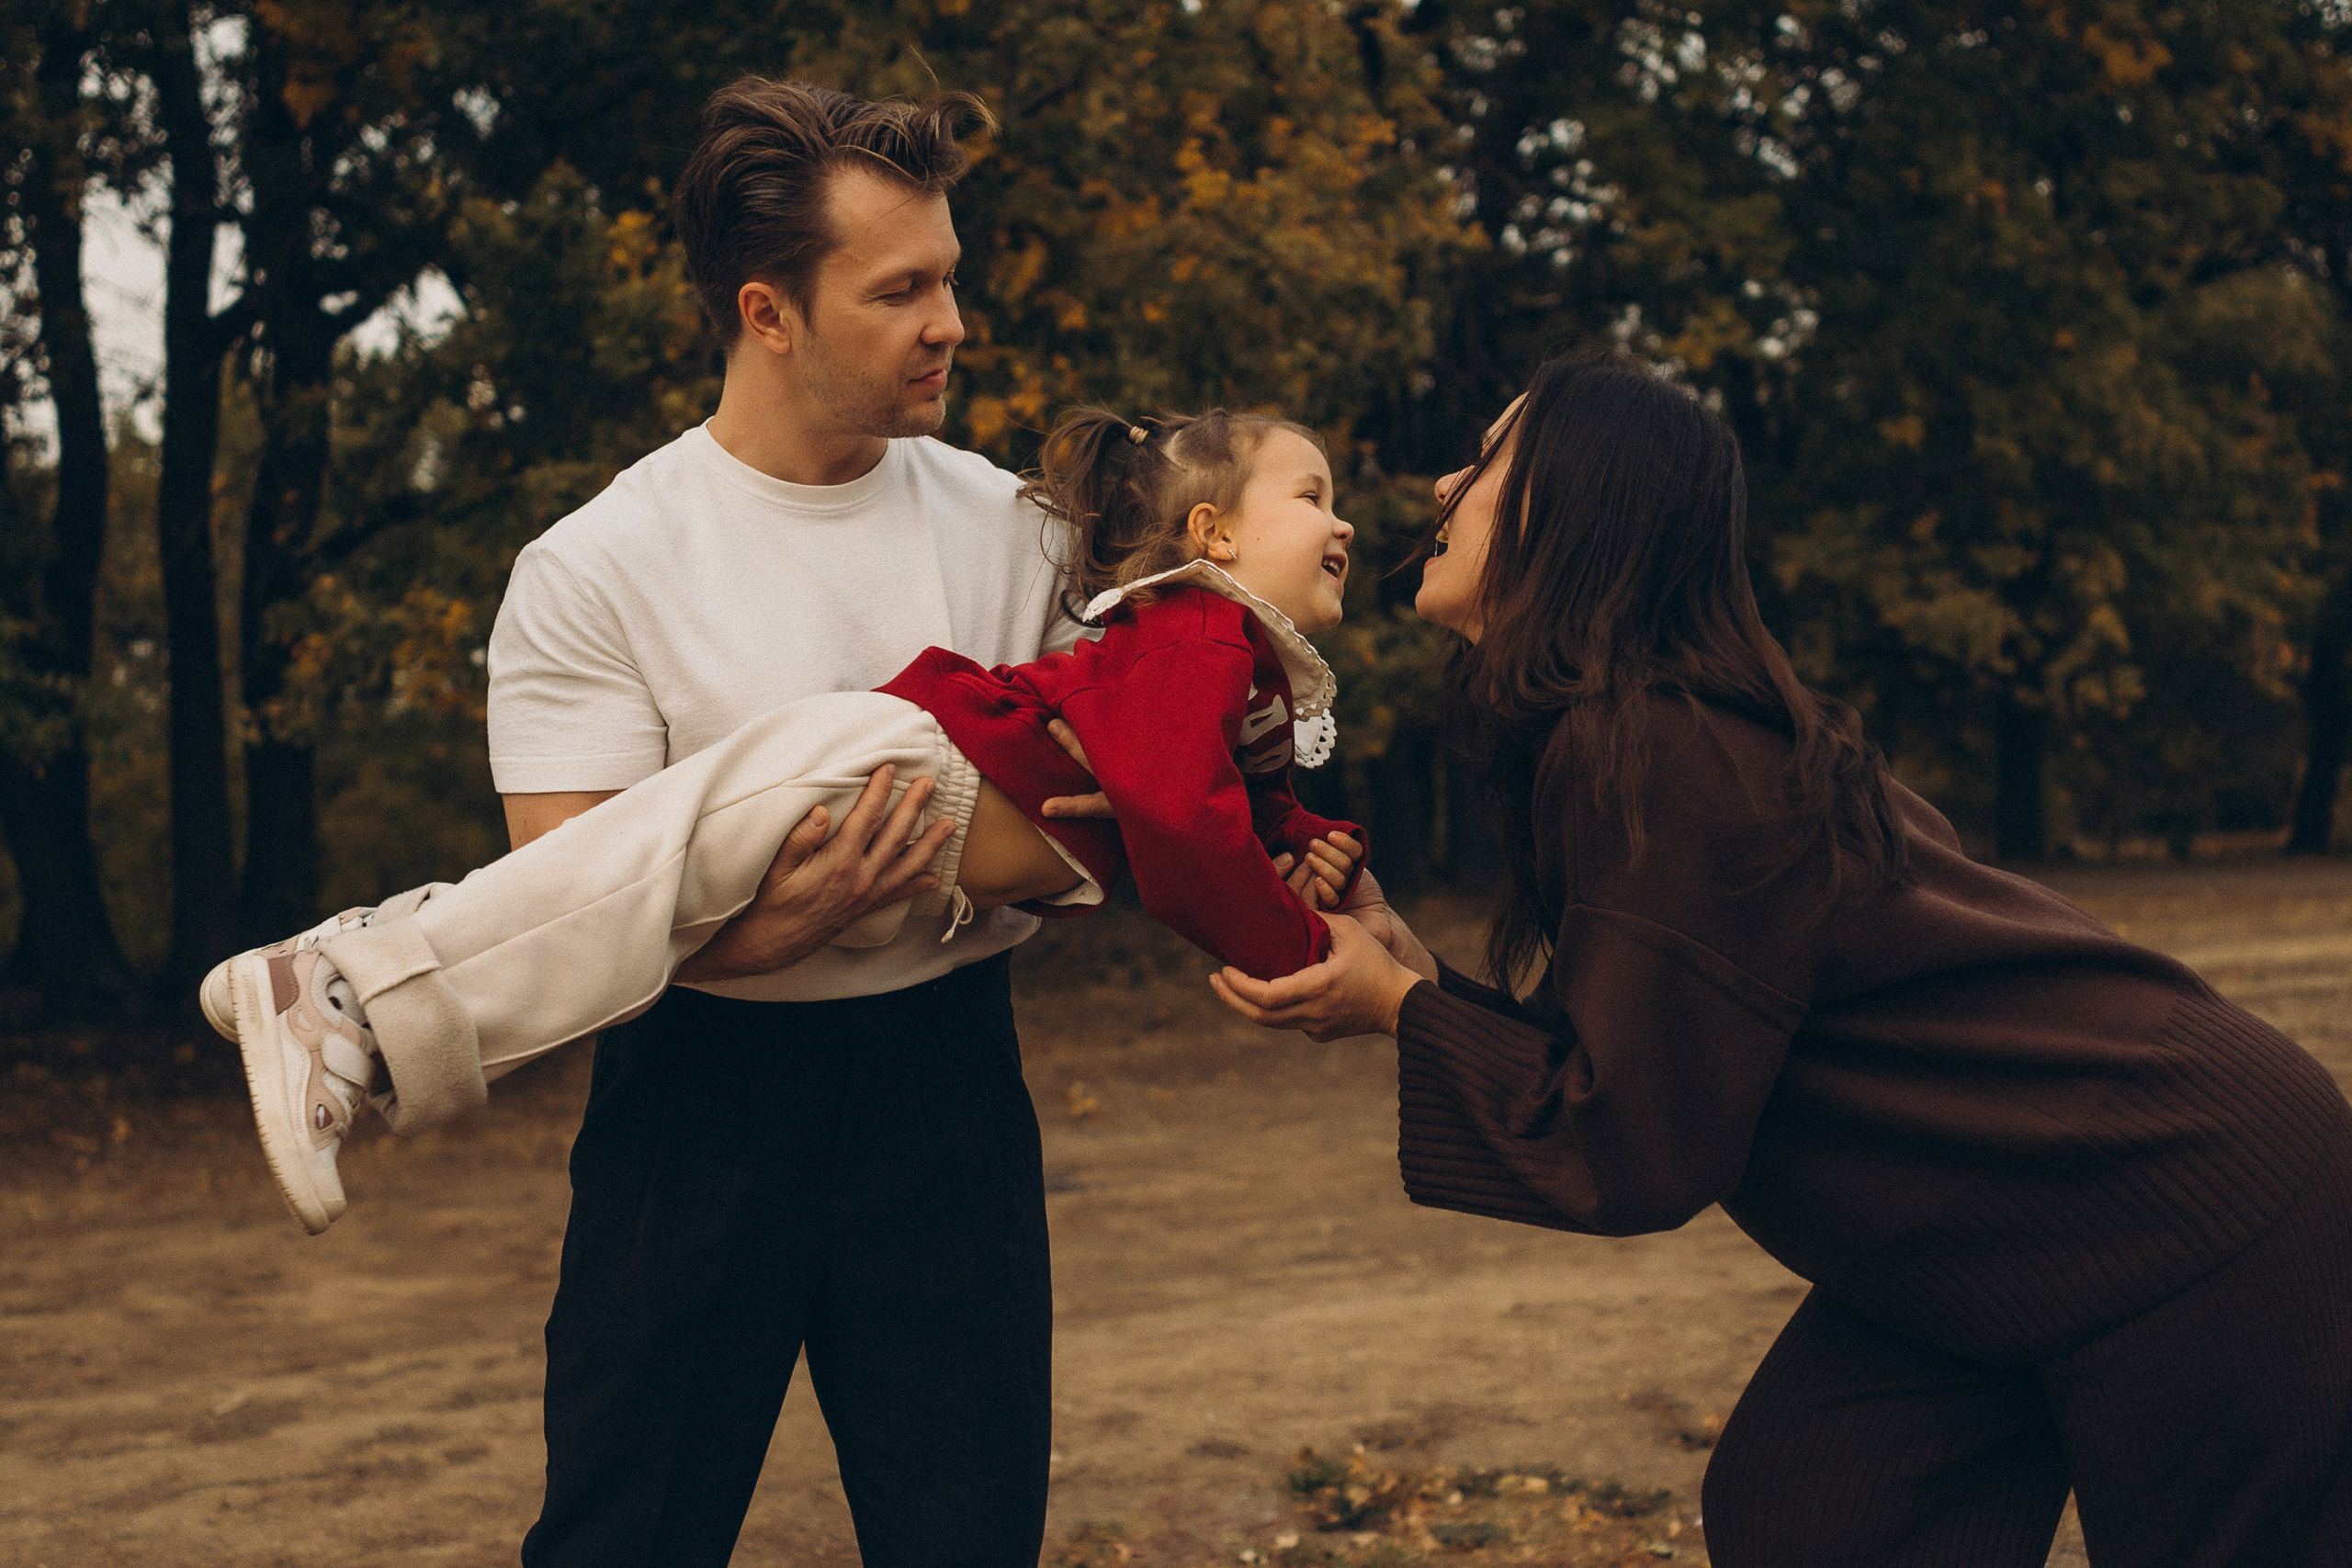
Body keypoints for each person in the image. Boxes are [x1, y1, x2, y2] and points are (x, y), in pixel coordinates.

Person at [1213, 350, 2352, 1567]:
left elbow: (1630, 1138)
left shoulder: (1652, 742)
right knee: (1815, 1510)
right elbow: (1658, 1050)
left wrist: (1399, 1006)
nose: (1444, 483)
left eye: (1486, 457)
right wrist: (1419, 980)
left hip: (2187, 1206)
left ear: (1573, 502)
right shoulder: (1645, 728)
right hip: (2017, 1222)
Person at [207, 402, 1365, 1235]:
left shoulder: (1221, 655)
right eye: (1312, 497)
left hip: (938, 979)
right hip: (896, 769)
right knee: (625, 879)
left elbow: (1219, 799)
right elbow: (1180, 817)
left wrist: (1296, 843)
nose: (1345, 521)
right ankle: (346, 998)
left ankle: (346, 981)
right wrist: (1295, 951)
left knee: (637, 875)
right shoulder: (1205, 633)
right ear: (1212, 535)